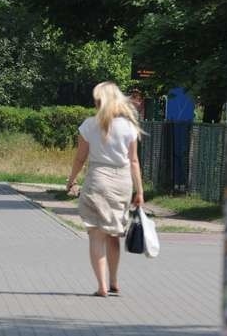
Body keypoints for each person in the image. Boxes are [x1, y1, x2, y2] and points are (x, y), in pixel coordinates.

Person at [66, 81, 144, 298]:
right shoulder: (129, 127)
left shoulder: (89, 125)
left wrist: (71, 180)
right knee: (113, 234)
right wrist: (140, 191)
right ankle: (114, 281)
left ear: (98, 100)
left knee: (96, 235)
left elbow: (80, 158)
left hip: (98, 179)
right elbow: (134, 161)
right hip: (122, 182)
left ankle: (101, 286)